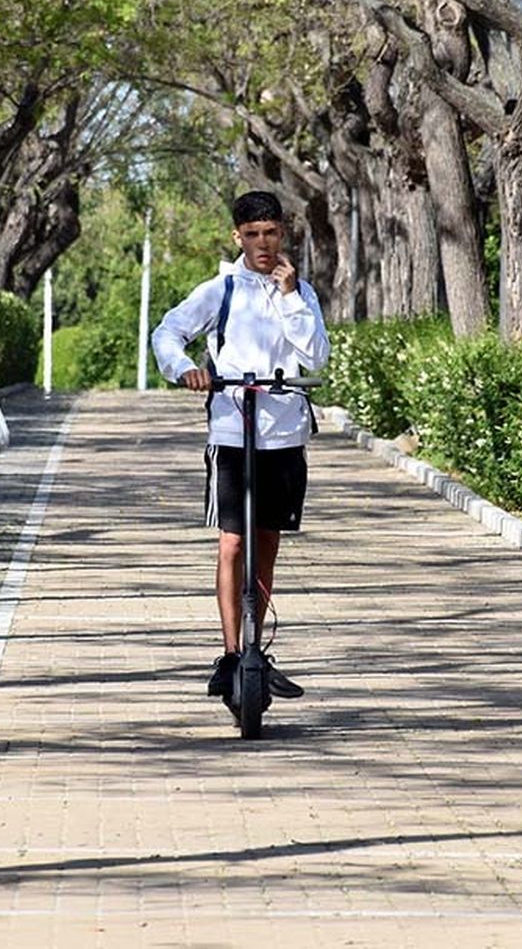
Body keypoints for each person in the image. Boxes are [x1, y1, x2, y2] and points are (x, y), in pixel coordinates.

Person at [151, 191, 330, 702]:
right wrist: (186, 369)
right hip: (232, 430)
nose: (262, 243)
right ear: (238, 237)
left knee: (268, 540)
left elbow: (315, 356)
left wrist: (292, 297)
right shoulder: (220, 289)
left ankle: (258, 647)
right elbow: (168, 333)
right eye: (252, 235)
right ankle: (231, 654)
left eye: (270, 233)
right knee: (233, 542)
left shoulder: (301, 292)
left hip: (284, 431)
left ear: (283, 233)